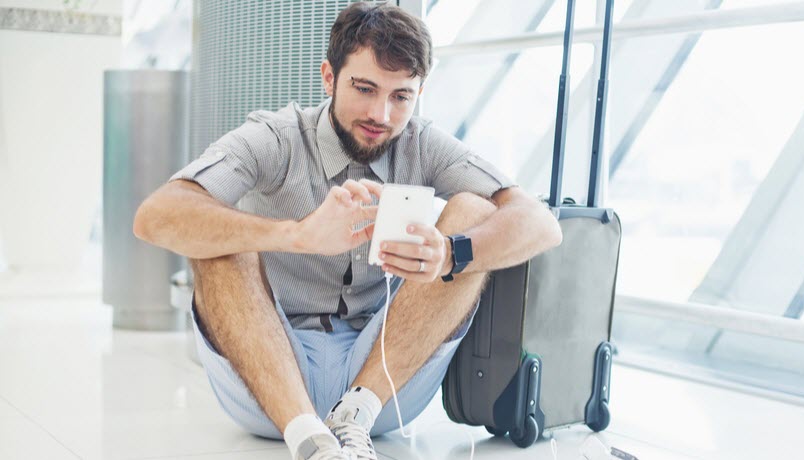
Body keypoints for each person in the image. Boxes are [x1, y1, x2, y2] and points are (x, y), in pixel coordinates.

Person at [132, 3, 562, 460]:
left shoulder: (423, 143)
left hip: (380, 383)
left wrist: (451, 253)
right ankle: (308, 438)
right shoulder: (275, 138)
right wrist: (297, 235)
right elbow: (155, 215)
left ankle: (352, 415)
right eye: (365, 88)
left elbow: (540, 223)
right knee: (220, 233)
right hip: (268, 374)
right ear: (329, 77)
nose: (381, 113)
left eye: (401, 96)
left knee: (474, 212)